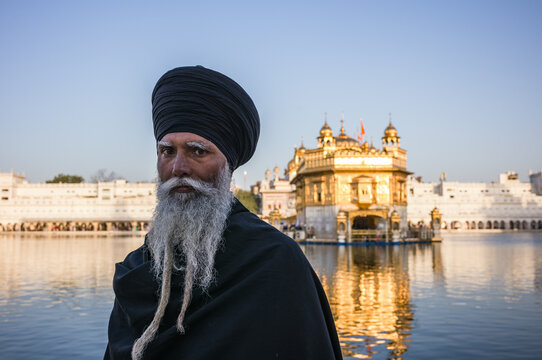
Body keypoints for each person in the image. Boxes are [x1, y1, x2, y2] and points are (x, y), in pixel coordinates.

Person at [104, 66, 343, 360]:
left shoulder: (272, 262)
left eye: (197, 151)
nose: (178, 167)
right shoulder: (139, 266)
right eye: (167, 151)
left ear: (228, 167)